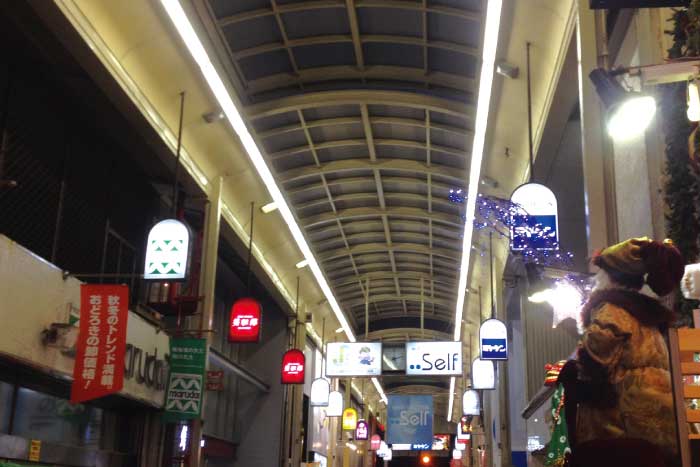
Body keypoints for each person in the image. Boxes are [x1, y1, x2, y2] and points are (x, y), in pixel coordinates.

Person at [559, 237, 684, 467]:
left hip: (620, 435)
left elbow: (593, 364)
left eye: (600, 272)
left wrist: (570, 373)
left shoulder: (611, 311)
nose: (596, 278)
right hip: (656, 434)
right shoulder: (645, 317)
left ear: (610, 277)